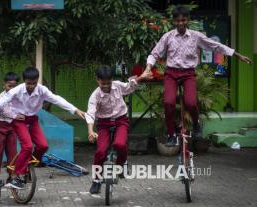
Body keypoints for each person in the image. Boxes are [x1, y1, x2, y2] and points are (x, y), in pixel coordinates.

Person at [142, 5, 252, 146]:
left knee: (191, 102)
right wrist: (148, 67)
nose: (181, 23)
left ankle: (196, 124)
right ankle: (171, 134)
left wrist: (237, 55)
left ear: (188, 20)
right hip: (171, 73)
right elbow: (154, 54)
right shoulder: (167, 37)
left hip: (188, 74)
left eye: (184, 20)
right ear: (174, 21)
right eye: (178, 20)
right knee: (168, 103)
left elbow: (215, 45)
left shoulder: (196, 36)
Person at [0, 67, 86, 189]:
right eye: (28, 83)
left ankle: (28, 162)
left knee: (43, 146)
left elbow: (57, 99)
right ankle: (16, 177)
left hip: (32, 120)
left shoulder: (42, 90)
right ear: (24, 81)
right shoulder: (17, 90)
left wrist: (75, 110)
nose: (31, 86)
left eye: (34, 83)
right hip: (19, 121)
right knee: (28, 146)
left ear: (37, 81)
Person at [86, 65, 152, 194]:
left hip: (120, 120)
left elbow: (129, 86)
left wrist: (141, 78)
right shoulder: (95, 96)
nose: (106, 86)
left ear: (112, 80)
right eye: (102, 83)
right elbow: (90, 113)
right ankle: (97, 180)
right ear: (97, 80)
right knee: (100, 151)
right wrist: (90, 131)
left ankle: (122, 163)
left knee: (119, 144)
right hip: (104, 124)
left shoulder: (117, 86)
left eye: (108, 83)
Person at [0, 72, 23, 184]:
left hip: (12, 129)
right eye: (10, 86)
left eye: (15, 86)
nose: (12, 88)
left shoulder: (19, 98)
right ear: (4, 85)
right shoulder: (0, 97)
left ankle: (12, 177)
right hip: (0, 127)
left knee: (13, 154)